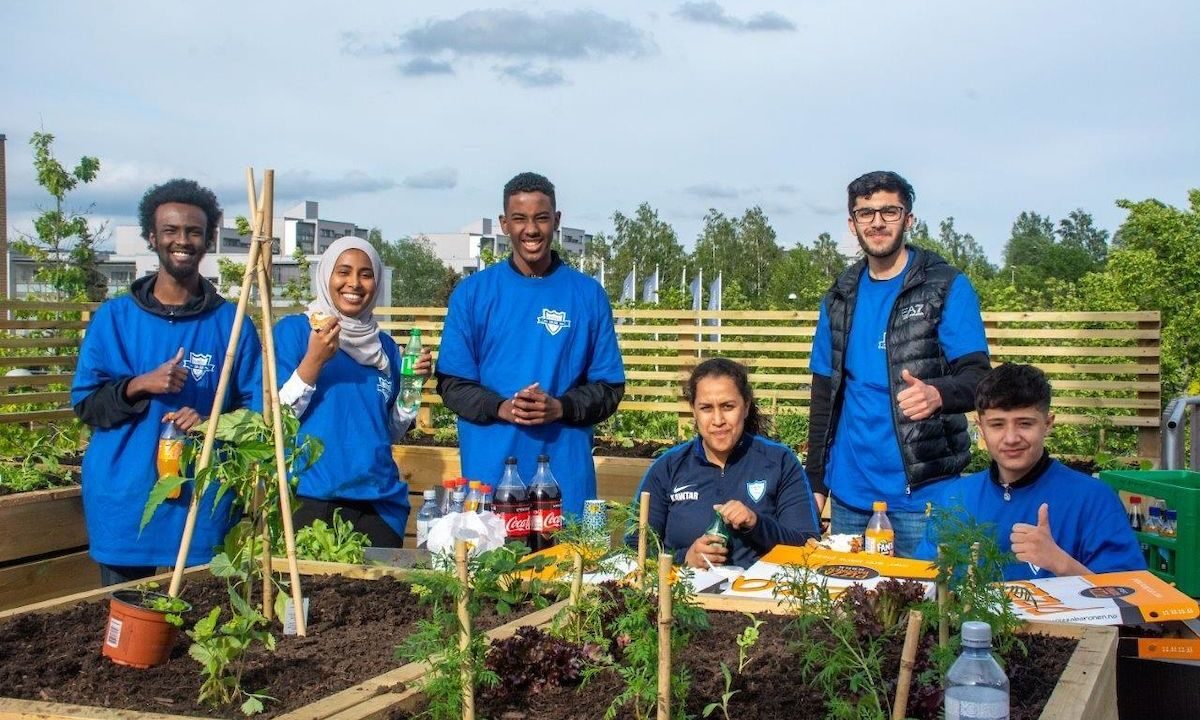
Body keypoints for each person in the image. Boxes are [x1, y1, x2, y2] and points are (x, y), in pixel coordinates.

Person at [72, 179, 262, 587]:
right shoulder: (114, 319)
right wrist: (139, 384)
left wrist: (213, 420)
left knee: (202, 627)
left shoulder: (232, 325)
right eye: (171, 231)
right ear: (152, 237)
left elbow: (257, 409)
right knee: (129, 631)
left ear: (208, 240)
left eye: (194, 232)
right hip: (124, 501)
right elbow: (87, 405)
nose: (183, 240)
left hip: (201, 503)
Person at [805, 170, 990, 557]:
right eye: (865, 213)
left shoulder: (945, 287)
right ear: (852, 223)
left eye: (889, 211)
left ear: (908, 219)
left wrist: (938, 394)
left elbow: (978, 379)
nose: (876, 222)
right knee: (852, 612)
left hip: (925, 495)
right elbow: (825, 398)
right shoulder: (839, 296)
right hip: (850, 497)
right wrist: (817, 482)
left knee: (928, 608)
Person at [436, 172, 625, 517]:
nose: (531, 229)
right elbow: (452, 385)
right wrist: (501, 407)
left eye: (541, 217)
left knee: (570, 571)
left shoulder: (588, 295)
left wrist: (561, 408)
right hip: (489, 486)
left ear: (557, 220)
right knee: (493, 570)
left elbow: (609, 388)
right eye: (520, 219)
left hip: (567, 489)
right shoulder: (472, 293)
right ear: (504, 224)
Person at [916, 364, 1146, 580]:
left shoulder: (1094, 499)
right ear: (981, 428)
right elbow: (923, 580)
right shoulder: (955, 498)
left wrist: (1061, 564)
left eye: (1025, 423)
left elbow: (1129, 597)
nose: (1011, 438)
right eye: (997, 425)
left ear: (1047, 424)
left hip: (1061, 624)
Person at [274, 237, 432, 547]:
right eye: (343, 271)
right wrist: (313, 362)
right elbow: (275, 420)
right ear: (326, 276)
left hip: (377, 507)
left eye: (366, 274)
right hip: (309, 500)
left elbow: (385, 431)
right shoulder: (296, 332)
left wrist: (410, 392)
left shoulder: (385, 348)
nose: (354, 283)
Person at [634, 359, 821, 569]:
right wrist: (684, 558)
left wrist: (756, 524)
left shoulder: (780, 462)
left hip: (761, 596)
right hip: (682, 596)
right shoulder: (667, 468)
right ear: (694, 411)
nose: (718, 419)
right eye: (706, 408)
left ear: (746, 406)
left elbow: (808, 545)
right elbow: (635, 549)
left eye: (728, 406)